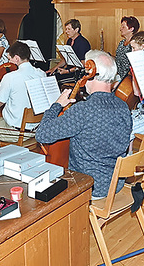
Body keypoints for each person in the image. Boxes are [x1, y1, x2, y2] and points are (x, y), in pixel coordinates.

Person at [36, 50, 132, 199]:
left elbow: (42, 134)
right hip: (116, 184)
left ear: (90, 73)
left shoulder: (83, 110)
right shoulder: (123, 106)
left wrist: (56, 105)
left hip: (90, 186)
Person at [0, 41, 46, 142]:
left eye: (9, 59)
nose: (8, 63)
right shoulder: (41, 73)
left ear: (16, 58)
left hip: (17, 132)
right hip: (36, 129)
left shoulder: (10, 77)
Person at [115, 16, 140, 80]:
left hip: (130, 79)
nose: (120, 29)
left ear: (131, 29)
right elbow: (118, 58)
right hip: (120, 77)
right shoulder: (121, 43)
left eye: (123, 27)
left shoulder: (136, 45)